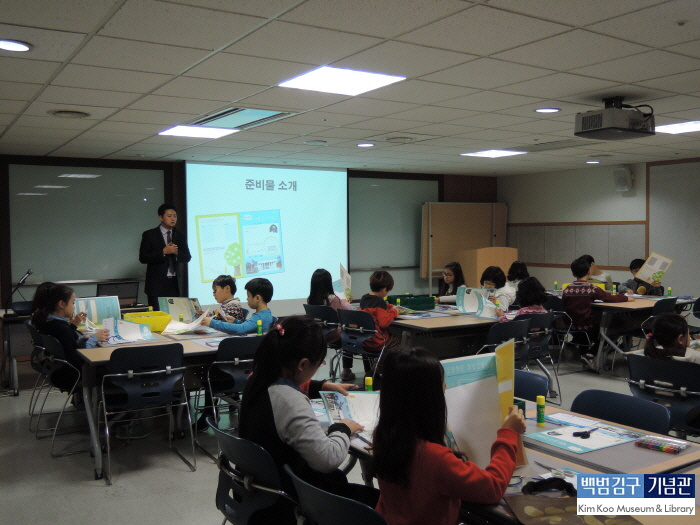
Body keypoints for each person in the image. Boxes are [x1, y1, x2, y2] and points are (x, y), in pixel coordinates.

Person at [239, 316, 376, 524]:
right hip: (292, 499)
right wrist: (342, 429)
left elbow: (287, 387)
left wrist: (321, 386)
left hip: (261, 490)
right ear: (303, 364)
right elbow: (327, 459)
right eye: (318, 364)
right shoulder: (289, 400)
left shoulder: (256, 378)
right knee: (376, 502)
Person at [373, 346, 526, 525]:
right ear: (430, 398)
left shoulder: (382, 435)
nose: (445, 386)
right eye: (442, 385)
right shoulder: (435, 458)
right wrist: (509, 434)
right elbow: (493, 487)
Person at [31, 284, 109, 388]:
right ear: (62, 304)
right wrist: (94, 339)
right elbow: (79, 358)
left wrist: (82, 339)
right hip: (73, 375)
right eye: (73, 303)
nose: (74, 307)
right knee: (110, 367)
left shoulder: (49, 323)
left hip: (57, 372)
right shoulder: (61, 328)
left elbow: (68, 346)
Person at [562, 256, 631, 370]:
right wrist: (626, 298)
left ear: (573, 274)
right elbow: (610, 298)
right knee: (611, 329)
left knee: (595, 329)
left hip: (571, 325)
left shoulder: (567, 289)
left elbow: (564, 307)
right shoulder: (592, 288)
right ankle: (590, 354)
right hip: (589, 325)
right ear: (589, 272)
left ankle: (587, 355)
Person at [139, 203, 192, 311]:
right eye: (169, 216)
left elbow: (187, 257)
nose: (173, 218)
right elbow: (143, 258)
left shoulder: (180, 235)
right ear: (161, 217)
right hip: (156, 285)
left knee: (174, 315)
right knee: (157, 315)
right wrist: (163, 252)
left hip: (174, 284)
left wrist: (177, 253)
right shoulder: (149, 235)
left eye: (175, 216)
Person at [307, 268, 355, 380]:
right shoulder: (332, 299)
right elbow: (346, 312)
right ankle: (346, 370)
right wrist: (346, 301)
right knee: (350, 333)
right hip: (334, 336)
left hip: (320, 335)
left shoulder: (311, 300)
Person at [359, 271, 402, 372]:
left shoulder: (364, 299)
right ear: (383, 289)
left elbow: (373, 310)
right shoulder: (379, 302)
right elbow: (384, 322)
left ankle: (369, 370)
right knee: (400, 340)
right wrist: (394, 311)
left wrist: (389, 306)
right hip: (377, 342)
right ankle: (379, 368)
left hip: (363, 340)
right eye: (388, 291)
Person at [201, 277, 273, 334]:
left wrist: (212, 323)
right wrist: (235, 321)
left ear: (257, 298)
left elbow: (241, 328)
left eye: (248, 296)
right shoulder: (265, 314)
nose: (247, 299)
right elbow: (248, 326)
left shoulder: (259, 317)